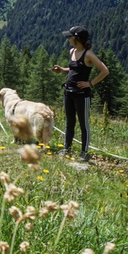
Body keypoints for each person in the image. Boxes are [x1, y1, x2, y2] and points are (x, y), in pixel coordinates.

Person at [52, 26, 109, 161]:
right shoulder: (72, 51)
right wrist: (62, 70)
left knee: (83, 124)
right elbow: (74, 69)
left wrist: (90, 83)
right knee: (69, 122)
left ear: (77, 38)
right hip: (68, 92)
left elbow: (105, 71)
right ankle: (67, 148)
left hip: (82, 95)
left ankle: (84, 152)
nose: (68, 39)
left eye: (70, 36)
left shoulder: (88, 54)